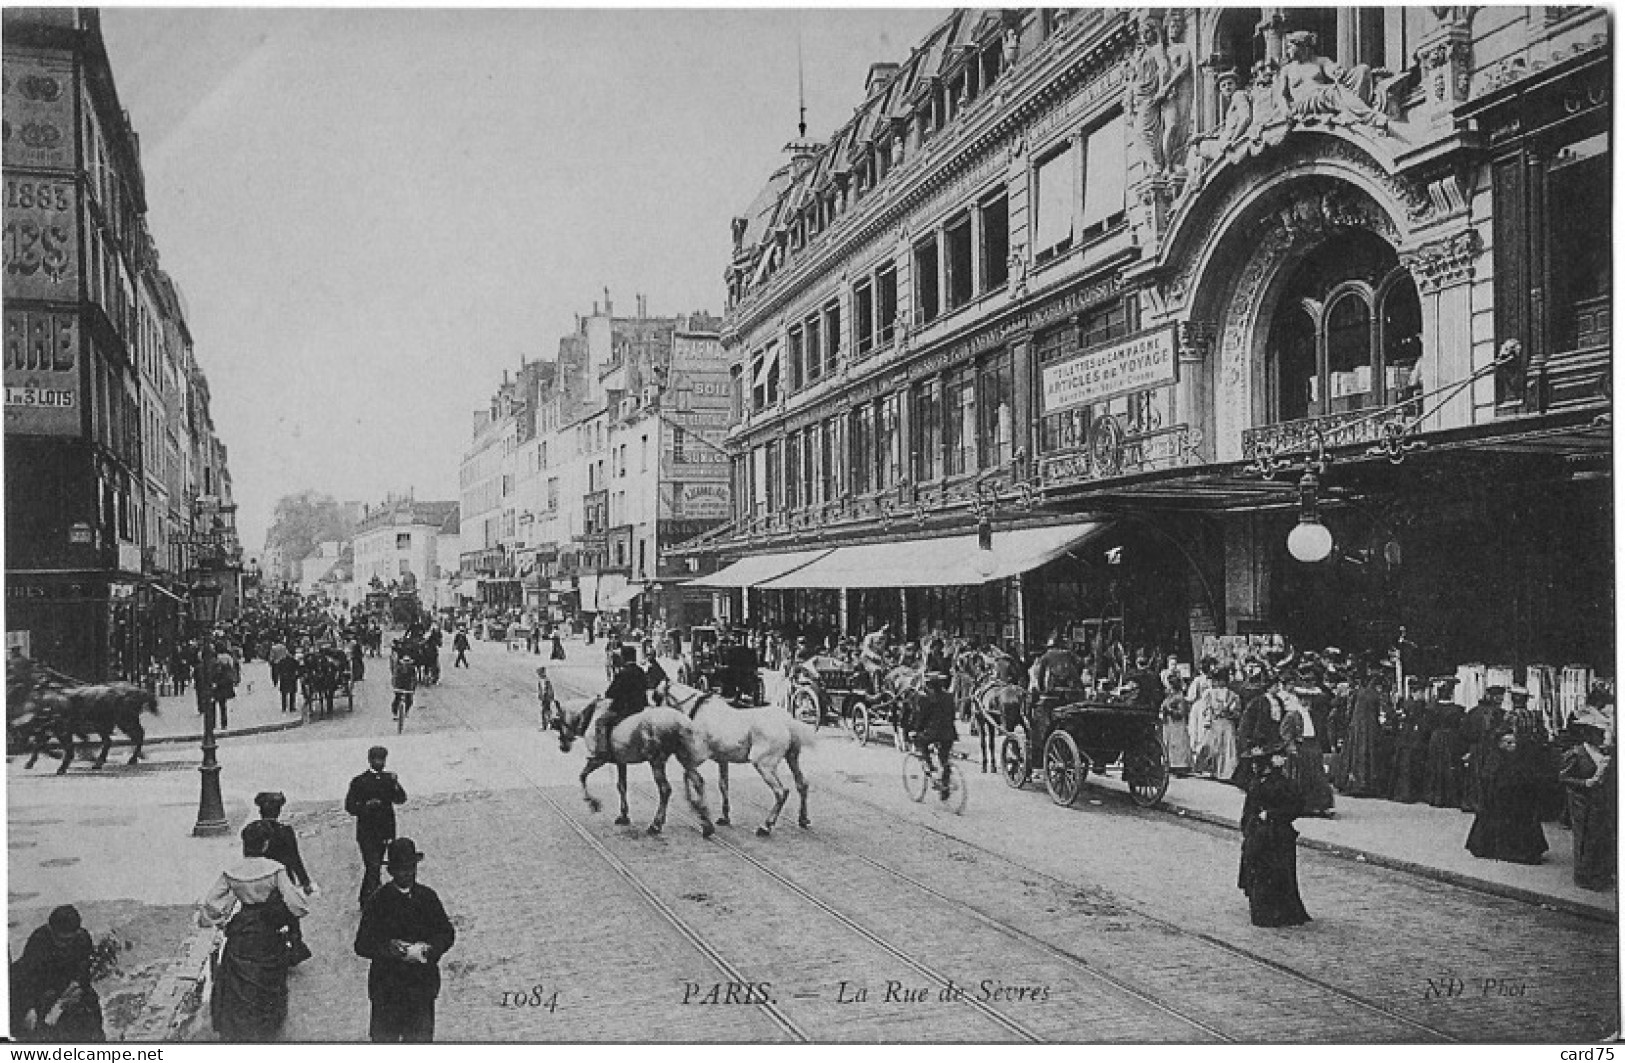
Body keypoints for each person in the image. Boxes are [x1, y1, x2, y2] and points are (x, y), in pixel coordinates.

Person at [198, 820, 310, 1042]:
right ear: (266, 844)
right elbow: (297, 905)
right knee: (269, 978)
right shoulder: (275, 870)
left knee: (239, 980)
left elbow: (210, 901)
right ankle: (266, 1027)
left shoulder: (232, 871)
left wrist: (221, 919)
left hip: (242, 928)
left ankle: (239, 1028)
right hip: (268, 929)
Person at [354, 838, 456, 1043]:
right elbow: (361, 944)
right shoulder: (378, 901)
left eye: (411, 868)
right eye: (401, 869)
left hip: (421, 989)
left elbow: (446, 932)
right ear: (391, 871)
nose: (407, 874)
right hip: (387, 991)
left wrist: (431, 948)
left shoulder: (428, 897)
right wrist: (387, 948)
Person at [1238, 748, 1312, 927]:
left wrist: (1272, 815)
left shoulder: (1282, 784)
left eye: (1259, 763)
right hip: (1259, 834)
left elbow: (1295, 807)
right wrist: (1248, 827)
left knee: (1277, 875)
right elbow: (1248, 808)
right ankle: (1261, 910)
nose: (1255, 767)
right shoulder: (1256, 783)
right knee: (1258, 873)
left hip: (1277, 836)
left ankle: (1278, 913)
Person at [10, 905, 105, 1042]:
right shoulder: (39, 940)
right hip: (39, 982)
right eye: (60, 940)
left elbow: (84, 969)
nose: (65, 945)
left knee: (90, 1003)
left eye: (69, 940)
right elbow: (28, 976)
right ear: (51, 930)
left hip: (65, 982)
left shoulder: (82, 939)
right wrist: (30, 1007)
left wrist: (77, 986)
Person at [1465, 730, 1549, 864]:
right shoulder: (1494, 759)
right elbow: (1489, 780)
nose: (1513, 746)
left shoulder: (1520, 759)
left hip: (1518, 801)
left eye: (1515, 743)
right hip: (1500, 801)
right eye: (1508, 743)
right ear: (1500, 744)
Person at [1559, 707, 1616, 891]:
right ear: (1587, 734)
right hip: (1581, 802)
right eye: (1597, 733)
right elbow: (1563, 777)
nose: (1601, 737)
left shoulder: (1604, 754)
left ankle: (1602, 875)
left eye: (1602, 733)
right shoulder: (1576, 753)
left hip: (1600, 801)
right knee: (1584, 838)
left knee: (1601, 837)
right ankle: (1584, 876)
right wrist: (1585, 783)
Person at [254, 791, 314, 965]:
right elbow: (295, 859)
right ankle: (295, 944)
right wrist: (305, 881)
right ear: (279, 811)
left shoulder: (252, 831)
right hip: (283, 880)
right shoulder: (285, 832)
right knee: (291, 912)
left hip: (260, 879)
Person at [345, 746, 408, 908]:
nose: (379, 762)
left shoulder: (389, 779)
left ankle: (372, 897)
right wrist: (366, 806)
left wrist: (396, 785)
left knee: (378, 865)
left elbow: (401, 799)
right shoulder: (359, 781)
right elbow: (350, 807)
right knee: (373, 866)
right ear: (370, 760)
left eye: (382, 759)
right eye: (376, 759)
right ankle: (368, 901)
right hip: (367, 832)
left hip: (386, 831)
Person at [1029, 633, 1084, 754]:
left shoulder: (1046, 656)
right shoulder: (1069, 654)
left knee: (1039, 715)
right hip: (1074, 692)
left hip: (1054, 693)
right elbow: (1081, 663)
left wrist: (1042, 689)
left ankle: (1040, 745)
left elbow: (1040, 676)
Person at [909, 671, 959, 798]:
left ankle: (930, 768)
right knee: (944, 757)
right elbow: (953, 715)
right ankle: (945, 783)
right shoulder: (949, 697)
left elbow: (922, 717)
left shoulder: (926, 699)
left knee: (921, 744)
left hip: (932, 733)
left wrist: (916, 730)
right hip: (949, 733)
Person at [593, 655, 649, 760]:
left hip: (624, 709)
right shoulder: (640, 671)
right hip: (640, 707)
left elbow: (611, 692)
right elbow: (646, 685)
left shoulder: (623, 673)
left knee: (600, 722)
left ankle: (602, 751)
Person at [1201, 666, 1242, 783]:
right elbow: (1206, 709)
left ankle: (1226, 773)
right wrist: (1208, 719)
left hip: (1226, 723)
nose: (1219, 683)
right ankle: (1215, 770)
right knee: (1215, 746)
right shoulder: (1209, 693)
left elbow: (1237, 711)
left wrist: (1230, 713)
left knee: (1227, 747)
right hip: (1217, 722)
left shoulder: (1233, 695)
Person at [390, 646, 418, 722]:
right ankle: (395, 714)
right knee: (397, 699)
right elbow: (395, 678)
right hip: (399, 685)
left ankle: (406, 712)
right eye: (405, 662)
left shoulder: (412, 669)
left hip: (408, 686)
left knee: (409, 700)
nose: (406, 664)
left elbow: (414, 679)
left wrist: (413, 688)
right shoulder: (398, 669)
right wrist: (395, 686)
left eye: (407, 662)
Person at [642, 641, 670, 706]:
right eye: (648, 655)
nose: (648, 657)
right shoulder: (646, 665)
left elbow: (664, 677)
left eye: (650, 655)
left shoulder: (656, 666)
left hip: (653, 691)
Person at [536, 666, 557, 730]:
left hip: (546, 698)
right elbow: (540, 690)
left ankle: (546, 725)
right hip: (544, 698)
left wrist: (550, 697)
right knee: (546, 711)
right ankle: (549, 724)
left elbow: (548, 689)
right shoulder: (541, 680)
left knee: (545, 711)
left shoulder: (546, 680)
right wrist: (540, 695)